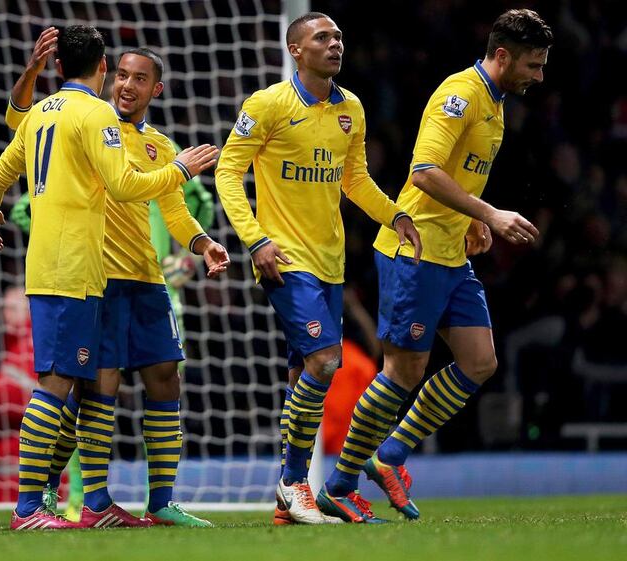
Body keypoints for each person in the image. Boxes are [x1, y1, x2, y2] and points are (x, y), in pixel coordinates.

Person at [0, 25, 220, 531]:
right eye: (123, 74)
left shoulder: (148, 139)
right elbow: (121, 182)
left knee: (160, 379)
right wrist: (180, 169)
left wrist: (201, 242)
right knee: (89, 389)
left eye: (141, 78)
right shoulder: (96, 121)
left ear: (157, 89)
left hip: (142, 278)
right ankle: (75, 499)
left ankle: (157, 502)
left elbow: (172, 213)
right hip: (92, 275)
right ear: (106, 72)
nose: (128, 85)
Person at [321, 9, 553, 521]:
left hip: (451, 252)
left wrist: (471, 218)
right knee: (403, 372)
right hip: (415, 250)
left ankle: (391, 456)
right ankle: (339, 482)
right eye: (533, 65)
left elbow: (457, 176)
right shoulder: (460, 95)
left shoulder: (494, 104)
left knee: (479, 362)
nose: (539, 76)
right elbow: (423, 172)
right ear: (502, 56)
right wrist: (489, 211)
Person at [215, 12, 421, 525]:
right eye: (322, 38)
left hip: (330, 262)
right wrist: (256, 240)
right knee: (327, 361)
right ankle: (293, 484)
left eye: (339, 38)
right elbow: (226, 171)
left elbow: (355, 181)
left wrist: (394, 214)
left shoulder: (350, 108)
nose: (335, 45)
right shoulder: (267, 105)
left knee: (304, 374)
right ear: (295, 49)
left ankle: (289, 500)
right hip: (283, 258)